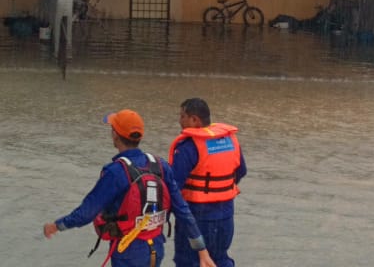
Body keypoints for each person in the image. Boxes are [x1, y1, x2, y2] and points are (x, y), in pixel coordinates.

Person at [43, 109, 216, 267]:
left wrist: (57, 226)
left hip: (128, 253)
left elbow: (86, 213)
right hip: (156, 249)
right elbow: (183, 210)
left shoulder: (116, 172)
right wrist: (202, 249)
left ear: (115, 136)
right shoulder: (160, 165)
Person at [168, 98, 246, 267]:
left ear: (194, 120)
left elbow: (173, 187)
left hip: (196, 219)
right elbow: (241, 171)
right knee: (220, 260)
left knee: (189, 262)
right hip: (226, 216)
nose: (179, 121)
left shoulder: (188, 147)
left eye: (182, 116)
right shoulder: (230, 141)